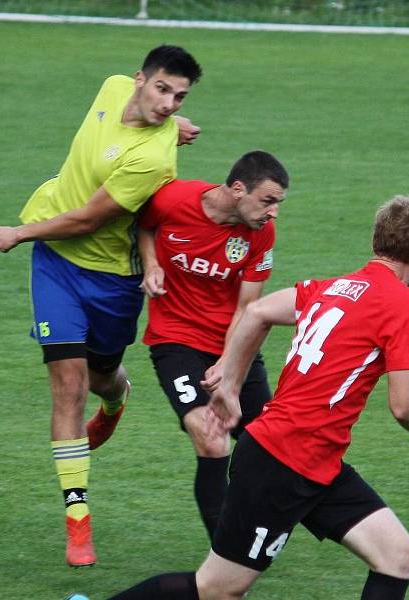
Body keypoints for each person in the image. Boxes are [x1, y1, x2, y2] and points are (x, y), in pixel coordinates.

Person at [108, 195, 409, 600]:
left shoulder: (334, 287)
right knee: (218, 589)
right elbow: (405, 405)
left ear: (377, 242)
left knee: (398, 555)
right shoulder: (401, 304)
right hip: (282, 462)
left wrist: (232, 383)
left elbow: (258, 313)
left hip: (317, 461)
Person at [0, 45, 203, 567]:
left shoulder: (151, 160)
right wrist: (175, 123)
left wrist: (18, 232)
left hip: (110, 278)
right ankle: (78, 520)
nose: (170, 102)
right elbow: (133, 122)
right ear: (138, 80)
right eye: (163, 89)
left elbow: (86, 220)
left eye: (181, 97)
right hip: (55, 265)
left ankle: (117, 397)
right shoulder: (110, 87)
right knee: (68, 385)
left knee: (102, 376)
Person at [138, 150, 288, 542]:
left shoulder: (261, 233)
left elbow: (247, 307)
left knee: (269, 446)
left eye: (278, 204)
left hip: (234, 345)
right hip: (176, 341)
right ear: (238, 189)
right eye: (267, 201)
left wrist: (228, 364)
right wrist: (151, 263)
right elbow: (145, 225)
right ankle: (226, 556)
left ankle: (260, 526)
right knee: (210, 436)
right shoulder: (173, 199)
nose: (273, 213)